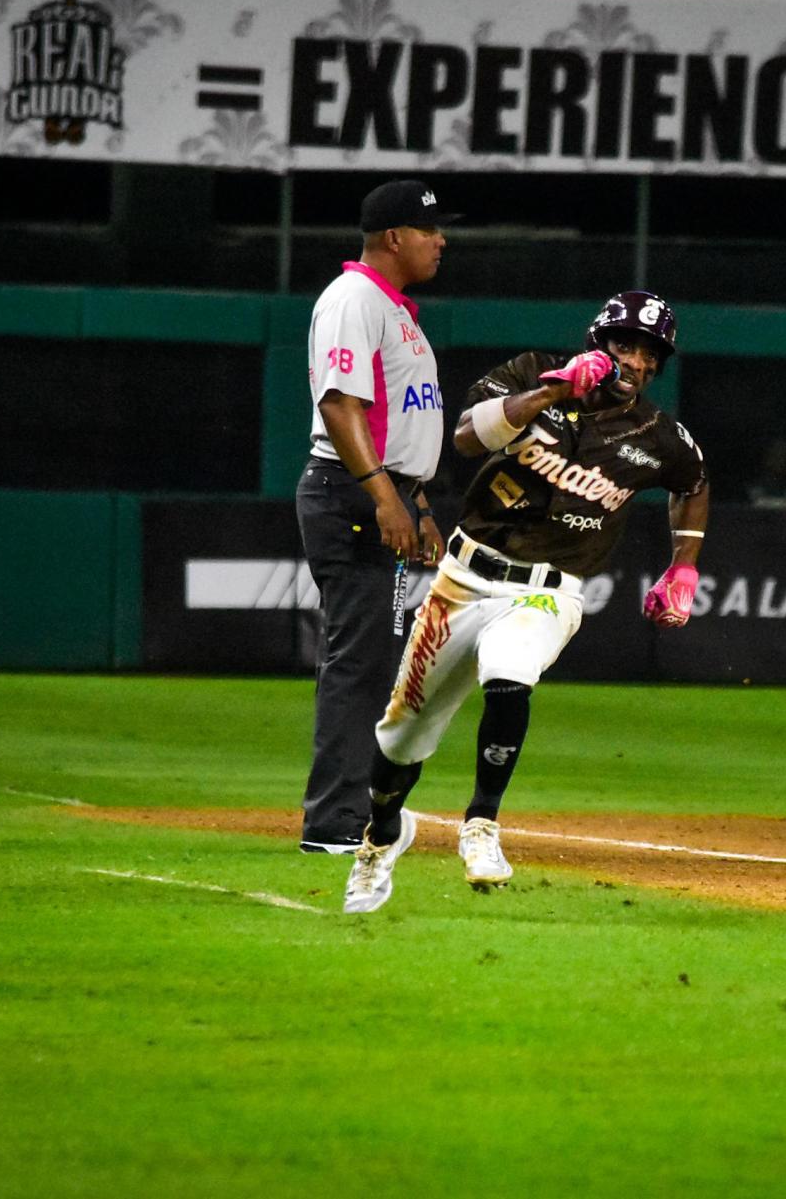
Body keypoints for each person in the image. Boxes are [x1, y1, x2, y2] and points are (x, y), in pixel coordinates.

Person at [341, 290, 709, 913]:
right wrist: (549, 392)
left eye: (651, 355)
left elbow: (693, 484)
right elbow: (462, 438)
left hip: (550, 591)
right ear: (599, 341)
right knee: (401, 737)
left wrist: (684, 567)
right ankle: (381, 833)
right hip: (463, 579)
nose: (638, 363)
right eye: (626, 345)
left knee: (511, 672)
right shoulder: (530, 371)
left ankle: (481, 822)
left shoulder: (658, 434)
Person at [294, 180, 455, 854]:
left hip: (380, 494)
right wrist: (386, 497)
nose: (441, 240)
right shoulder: (353, 299)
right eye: (429, 230)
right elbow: (339, 404)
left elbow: (396, 419)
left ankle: (356, 808)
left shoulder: (392, 309)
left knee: (375, 661)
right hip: (352, 495)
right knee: (357, 663)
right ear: (394, 236)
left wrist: (413, 500)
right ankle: (332, 823)